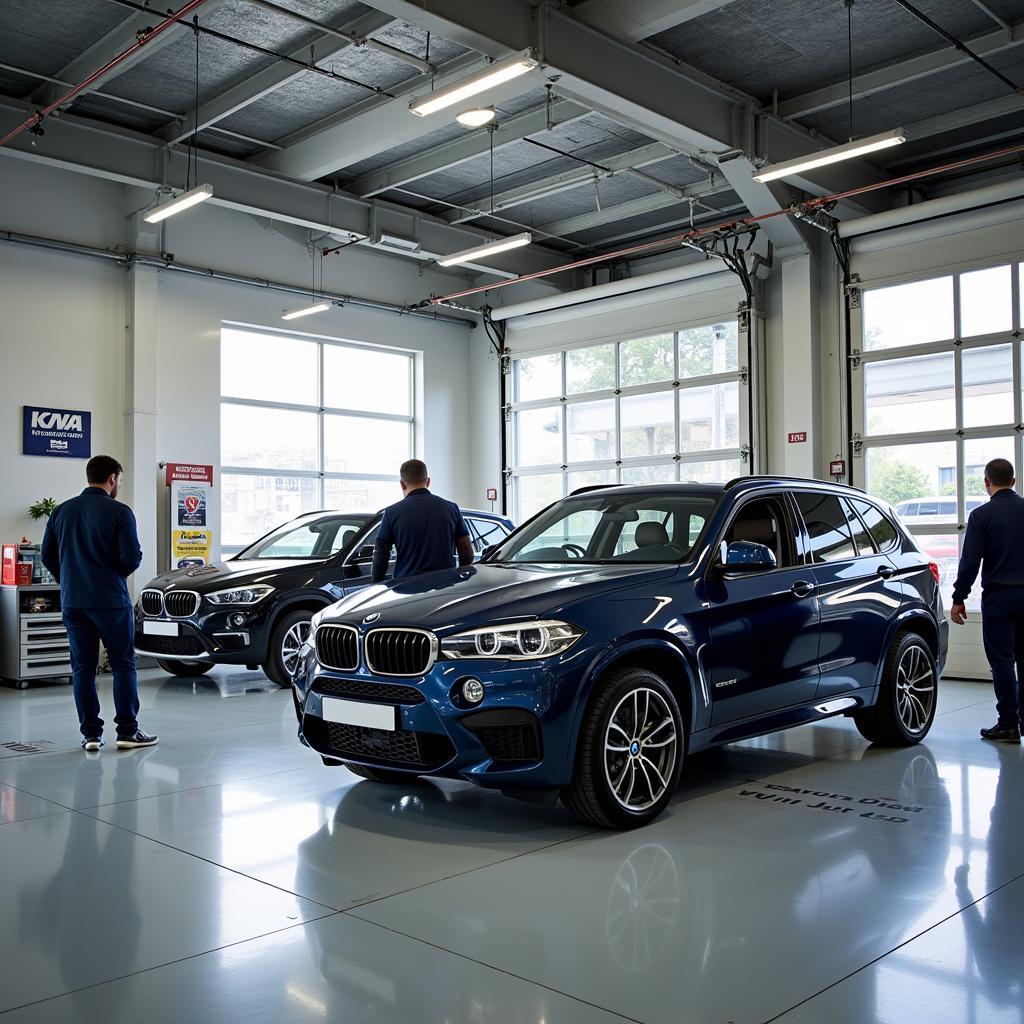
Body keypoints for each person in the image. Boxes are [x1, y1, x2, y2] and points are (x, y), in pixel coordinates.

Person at [41, 455, 158, 751]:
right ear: (112, 478)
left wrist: (70, 579)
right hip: (110, 601)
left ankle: (91, 735)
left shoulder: (61, 512)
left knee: (82, 668)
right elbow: (131, 558)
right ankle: (128, 732)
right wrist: (112, 575)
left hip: (74, 601)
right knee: (122, 664)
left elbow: (46, 556)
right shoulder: (120, 512)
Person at [950, 457, 1024, 744]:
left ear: (986, 482)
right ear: (1014, 481)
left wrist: (959, 597)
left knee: (1002, 661)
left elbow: (970, 562)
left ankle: (1008, 724)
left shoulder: (982, 515)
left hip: (1000, 598)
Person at [371, 459, 474, 584]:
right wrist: (460, 578)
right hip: (444, 588)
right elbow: (466, 552)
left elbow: (381, 555)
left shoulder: (391, 513)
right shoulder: (451, 508)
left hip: (406, 589)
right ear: (428, 481)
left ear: (402, 484)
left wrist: (376, 585)